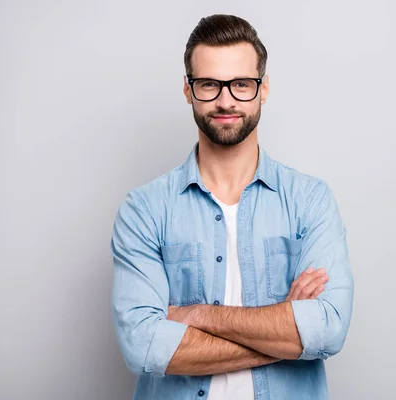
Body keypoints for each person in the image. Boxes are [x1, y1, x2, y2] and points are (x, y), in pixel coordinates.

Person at [111, 14, 354, 400]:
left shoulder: (310, 201)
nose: (226, 100)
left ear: (264, 88)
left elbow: (326, 329)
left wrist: (195, 315)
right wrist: (284, 332)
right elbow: (142, 345)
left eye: (241, 84)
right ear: (188, 90)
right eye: (209, 84)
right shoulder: (144, 210)